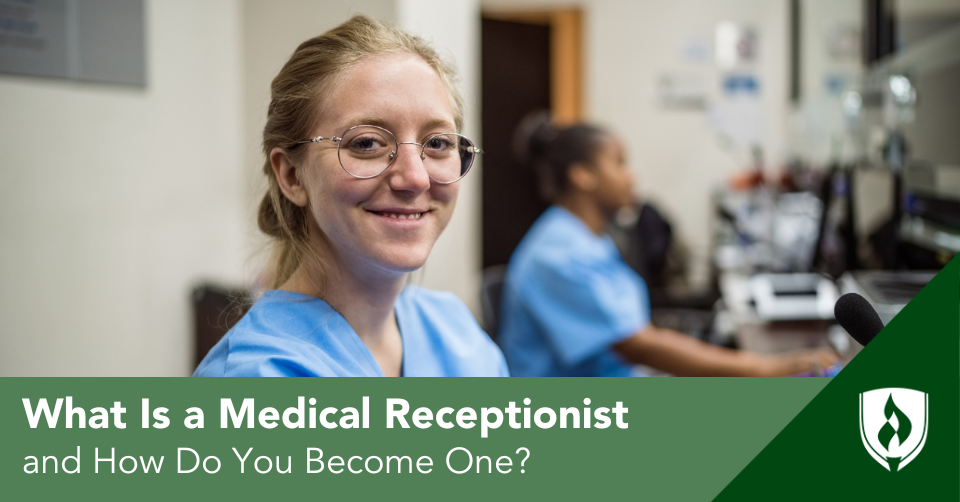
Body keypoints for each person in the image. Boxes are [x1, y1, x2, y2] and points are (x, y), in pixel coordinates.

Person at [195, 16, 507, 377]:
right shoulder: (261, 375)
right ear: (292, 176)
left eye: (437, 143)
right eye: (366, 143)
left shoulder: (454, 331)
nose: (415, 178)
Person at [498, 118, 839, 377]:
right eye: (619, 163)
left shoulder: (584, 238)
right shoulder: (557, 255)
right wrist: (766, 368)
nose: (631, 177)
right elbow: (640, 345)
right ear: (583, 175)